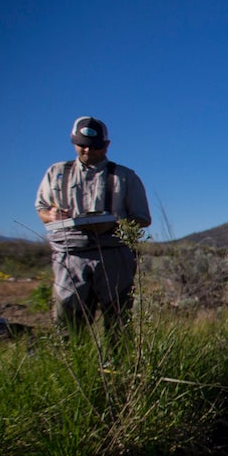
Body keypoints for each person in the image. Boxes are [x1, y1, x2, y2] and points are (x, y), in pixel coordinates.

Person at [36, 116, 151, 331]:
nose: (88, 151)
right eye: (82, 146)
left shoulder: (125, 176)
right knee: (68, 319)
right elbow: (41, 209)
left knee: (118, 319)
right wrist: (51, 215)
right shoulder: (56, 173)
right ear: (73, 142)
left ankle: (118, 362)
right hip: (70, 254)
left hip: (113, 254)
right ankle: (73, 362)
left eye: (94, 147)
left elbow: (143, 218)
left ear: (106, 145)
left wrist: (115, 224)